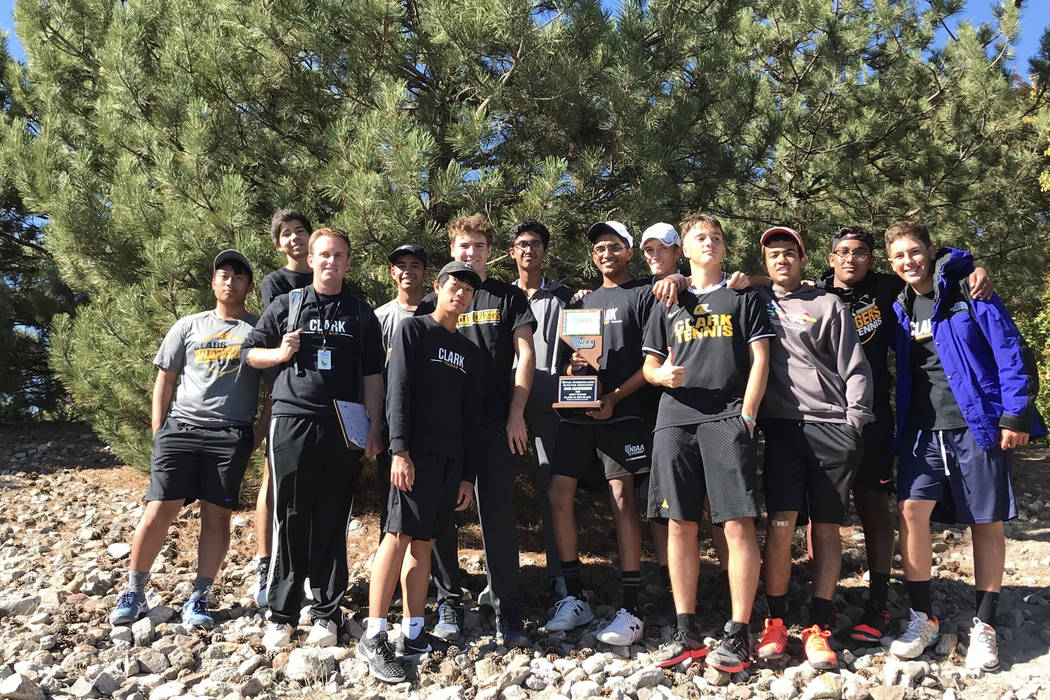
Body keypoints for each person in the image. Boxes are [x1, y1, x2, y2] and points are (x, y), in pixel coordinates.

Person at [812, 226, 992, 643]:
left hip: (874, 414)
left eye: (860, 252)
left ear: (873, 259)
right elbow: (772, 282)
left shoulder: (889, 287)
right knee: (821, 511)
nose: (850, 259)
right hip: (821, 415)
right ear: (831, 257)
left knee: (874, 502)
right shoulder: (815, 292)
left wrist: (975, 267)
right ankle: (822, 602)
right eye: (842, 252)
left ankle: (878, 603)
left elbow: (936, 264)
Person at [884, 221, 1044, 671]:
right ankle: (923, 618)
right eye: (898, 256)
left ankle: (985, 626)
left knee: (985, 519)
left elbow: (1009, 349)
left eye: (914, 251)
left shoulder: (966, 290)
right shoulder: (899, 303)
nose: (907, 262)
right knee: (911, 512)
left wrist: (1015, 414)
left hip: (976, 424)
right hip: (921, 428)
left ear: (930, 251)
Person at [244, 228, 385, 650]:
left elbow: (372, 376)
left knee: (332, 517)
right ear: (310, 258)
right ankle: (282, 614)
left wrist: (375, 426)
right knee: (290, 515)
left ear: (348, 262)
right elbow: (251, 353)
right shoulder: (288, 304)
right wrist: (280, 354)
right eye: (324, 254)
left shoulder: (362, 314)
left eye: (339, 255)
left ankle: (326, 612)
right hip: (292, 421)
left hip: (344, 426)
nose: (331, 262)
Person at [643, 214, 772, 671]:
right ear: (686, 250)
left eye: (717, 237)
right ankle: (686, 631)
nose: (711, 243)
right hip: (674, 421)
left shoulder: (743, 296)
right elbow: (649, 367)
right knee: (679, 524)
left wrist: (748, 417)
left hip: (726, 419)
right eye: (701, 237)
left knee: (736, 524)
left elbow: (761, 359)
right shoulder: (667, 300)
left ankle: (739, 633)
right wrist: (660, 375)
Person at [110, 250, 265, 629]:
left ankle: (200, 595)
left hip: (230, 436)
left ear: (248, 286)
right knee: (160, 508)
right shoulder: (189, 326)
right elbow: (165, 377)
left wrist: (255, 437)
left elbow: (275, 392)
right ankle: (134, 590)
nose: (230, 282)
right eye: (223, 275)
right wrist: (159, 429)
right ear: (213, 282)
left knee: (217, 516)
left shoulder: (258, 331)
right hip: (181, 429)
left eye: (239, 277)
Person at [357, 262, 485, 683]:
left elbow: (470, 417)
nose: (461, 294)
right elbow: (398, 391)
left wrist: (467, 475)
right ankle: (374, 636)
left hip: (449, 462)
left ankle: (413, 633)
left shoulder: (468, 350)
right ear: (438, 287)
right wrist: (399, 451)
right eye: (455, 286)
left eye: (469, 290)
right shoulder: (411, 330)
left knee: (425, 542)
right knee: (397, 537)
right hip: (412, 456)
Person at [754, 226, 873, 670]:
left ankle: (819, 625)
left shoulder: (828, 304)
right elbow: (710, 285)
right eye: (773, 255)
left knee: (826, 529)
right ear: (764, 263)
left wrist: (855, 421)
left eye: (789, 253)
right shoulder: (755, 301)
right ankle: (777, 621)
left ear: (803, 260)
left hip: (831, 427)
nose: (781, 260)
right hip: (782, 429)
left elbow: (855, 366)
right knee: (781, 525)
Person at [415, 214, 536, 648]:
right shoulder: (441, 298)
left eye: (480, 246)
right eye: (464, 246)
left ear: (490, 251)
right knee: (442, 515)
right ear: (452, 250)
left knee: (497, 516)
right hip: (444, 427)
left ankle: (508, 610)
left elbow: (525, 356)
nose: (471, 253)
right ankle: (449, 601)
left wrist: (517, 414)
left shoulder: (507, 297)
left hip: (494, 423)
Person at [545, 220, 658, 646]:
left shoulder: (644, 294)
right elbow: (571, 360)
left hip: (623, 413)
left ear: (629, 252)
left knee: (623, 499)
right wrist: (573, 381)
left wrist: (612, 396)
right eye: (599, 249)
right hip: (578, 414)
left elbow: (651, 362)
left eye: (614, 247)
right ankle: (574, 598)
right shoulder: (581, 302)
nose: (606, 254)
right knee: (558, 495)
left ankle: (631, 605)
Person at [508, 220, 574, 601]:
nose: (528, 250)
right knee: (499, 492)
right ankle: (503, 578)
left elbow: (584, 342)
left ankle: (562, 576)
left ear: (544, 251)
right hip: (509, 401)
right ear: (513, 252)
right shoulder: (500, 295)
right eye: (521, 244)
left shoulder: (566, 296)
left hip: (552, 401)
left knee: (554, 492)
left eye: (535, 243)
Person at [253, 209, 314, 607]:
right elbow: (275, 333)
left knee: (311, 488)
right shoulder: (276, 283)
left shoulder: (330, 274)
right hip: (286, 392)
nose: (294, 239)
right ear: (279, 243)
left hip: (324, 398)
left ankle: (306, 568)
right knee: (273, 480)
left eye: (299, 232)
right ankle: (266, 565)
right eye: (286, 235)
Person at [374, 243, 430, 532]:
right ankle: (392, 575)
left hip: (432, 422)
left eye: (415, 266)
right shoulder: (380, 317)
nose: (408, 271)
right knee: (392, 500)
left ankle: (435, 574)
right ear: (392, 273)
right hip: (393, 423)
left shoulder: (437, 313)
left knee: (432, 502)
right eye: (402, 266)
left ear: (426, 273)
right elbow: (372, 375)